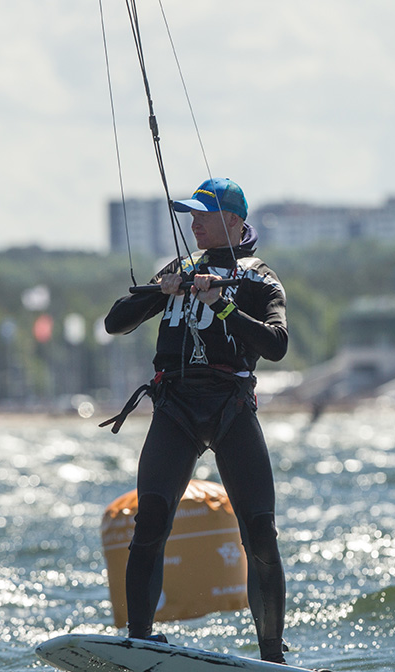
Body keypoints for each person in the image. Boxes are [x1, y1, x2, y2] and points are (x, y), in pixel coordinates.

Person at [101, 177, 290, 663]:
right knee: (150, 521)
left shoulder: (259, 279)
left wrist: (220, 304)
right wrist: (160, 293)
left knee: (261, 533)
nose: (194, 224)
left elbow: (276, 345)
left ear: (235, 221)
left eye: (204, 215)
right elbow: (115, 322)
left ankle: (272, 655)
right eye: (191, 215)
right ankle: (140, 639)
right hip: (175, 409)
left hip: (230, 408)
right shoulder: (180, 267)